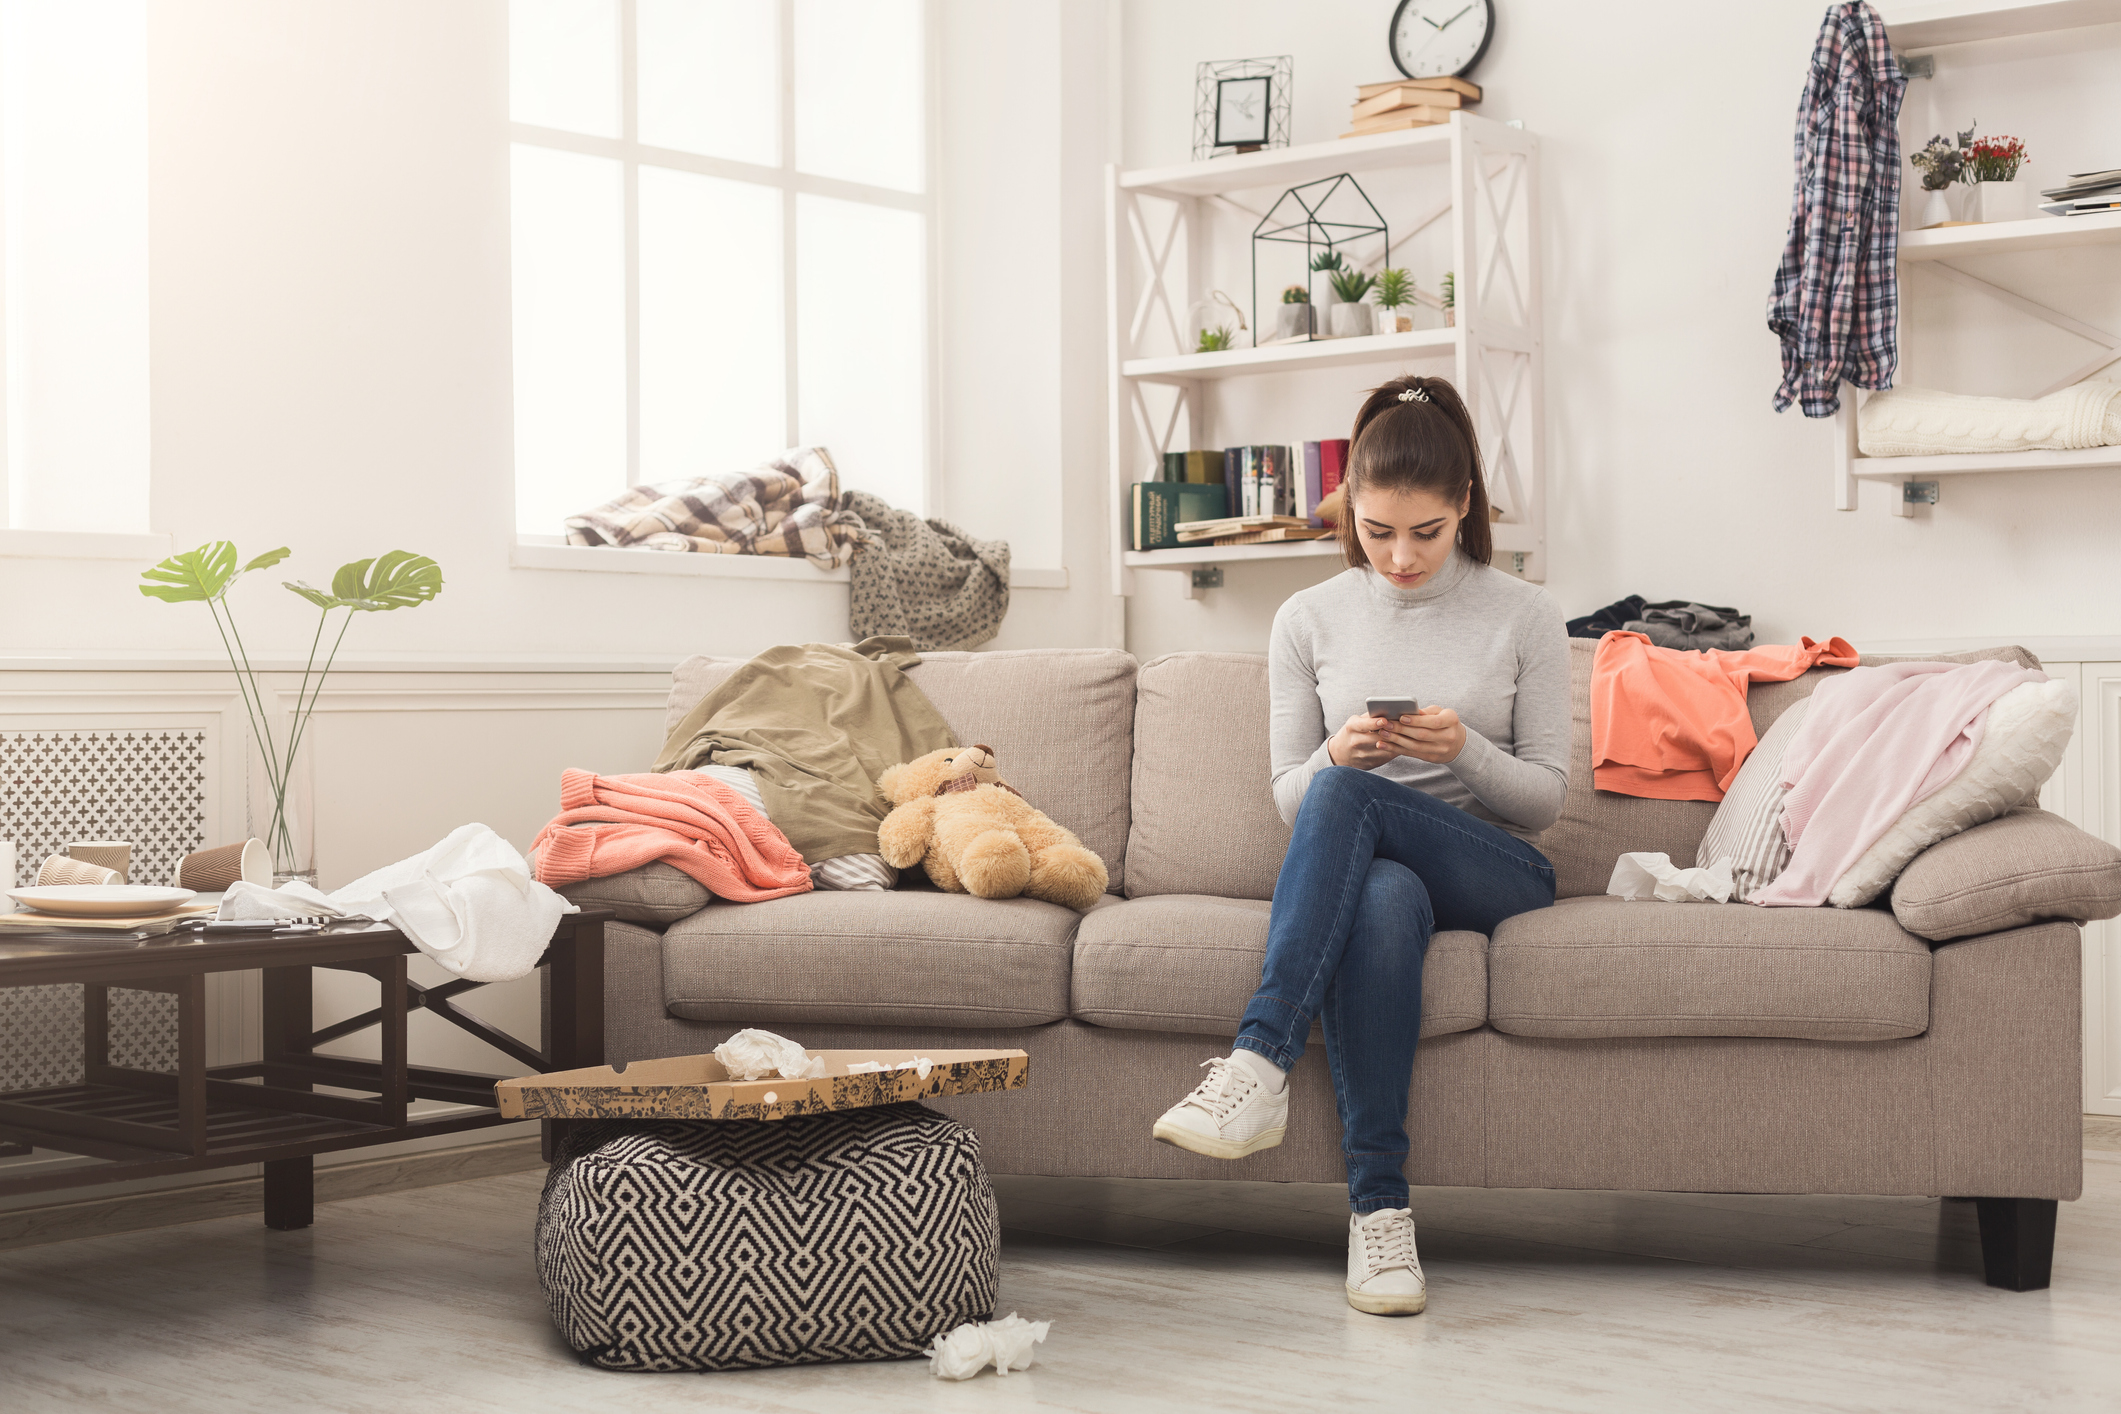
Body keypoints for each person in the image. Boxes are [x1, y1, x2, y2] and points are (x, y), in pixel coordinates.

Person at [1151, 373, 1570, 1316]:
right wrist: (1336, 754)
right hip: (1374, 873)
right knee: (1376, 888)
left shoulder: (1526, 613)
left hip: (1493, 868)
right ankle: (1379, 1216)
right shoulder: (1307, 618)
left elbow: (1545, 801)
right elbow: (1290, 801)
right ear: (1349, 508)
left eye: (1427, 532)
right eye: (1377, 531)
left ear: (1464, 505)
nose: (1400, 556)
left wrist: (1465, 750)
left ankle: (1257, 1061)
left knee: (1347, 796)